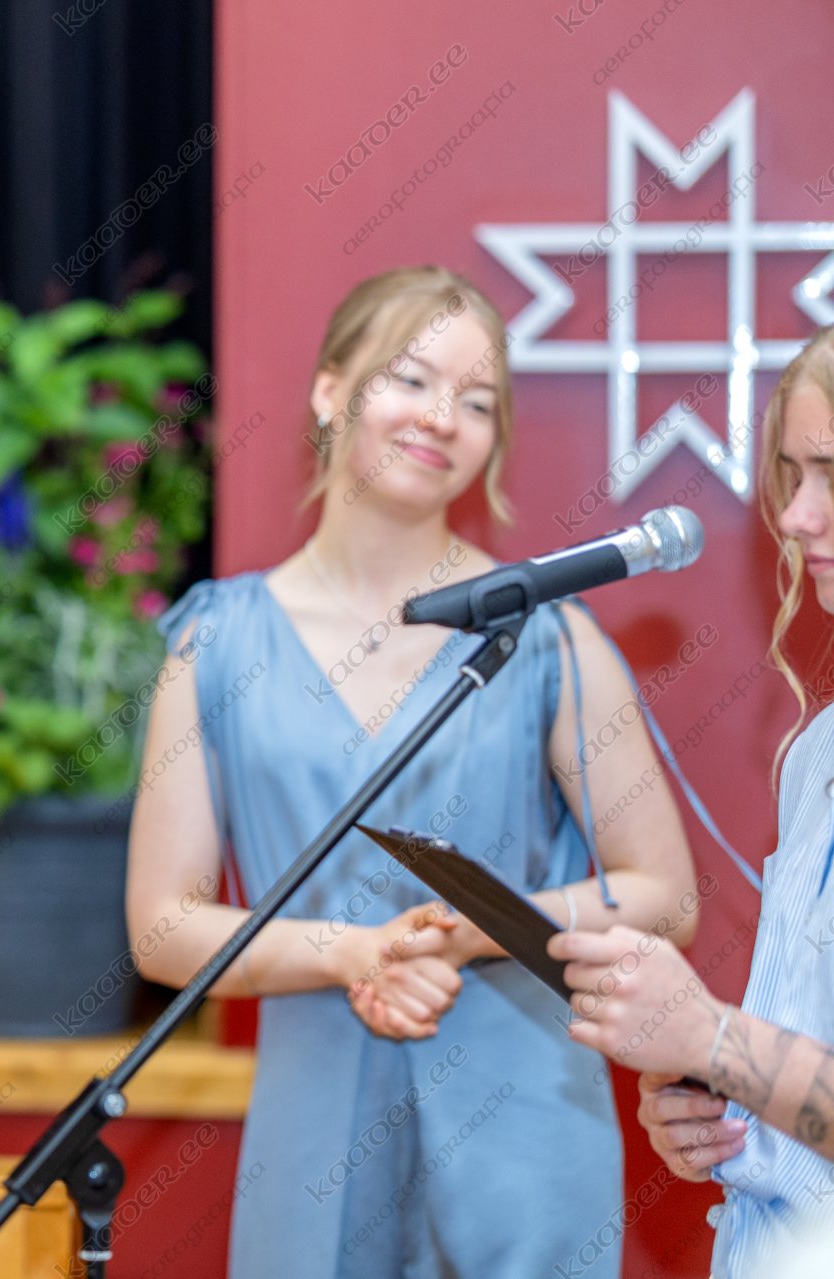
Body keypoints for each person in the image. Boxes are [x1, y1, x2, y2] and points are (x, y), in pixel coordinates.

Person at [126, 265, 700, 1276]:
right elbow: (162, 928)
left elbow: (665, 897)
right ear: (329, 389)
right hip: (314, 1139)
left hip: (526, 1134)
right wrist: (353, 952)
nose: (442, 418)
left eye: (478, 402)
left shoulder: (551, 636)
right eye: (411, 378)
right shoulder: (216, 644)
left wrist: (477, 928)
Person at [552, 325, 834, 1276]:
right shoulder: (817, 753)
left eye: (832, 474)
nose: (798, 517)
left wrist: (716, 1037)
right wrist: (722, 1103)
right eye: (790, 476)